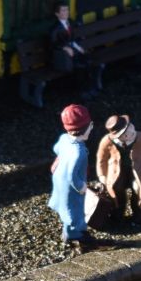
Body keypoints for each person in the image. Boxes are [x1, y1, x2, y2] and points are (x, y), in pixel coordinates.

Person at [96, 114, 141, 227]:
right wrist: (102, 175)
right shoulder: (107, 141)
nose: (131, 131)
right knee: (116, 189)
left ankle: (138, 214)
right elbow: (101, 159)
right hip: (117, 172)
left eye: (130, 127)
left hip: (139, 170)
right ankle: (118, 213)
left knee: (140, 189)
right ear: (118, 136)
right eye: (126, 133)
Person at [49, 104, 94, 253]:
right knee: (75, 210)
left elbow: (56, 149)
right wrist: (81, 186)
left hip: (59, 180)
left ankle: (68, 232)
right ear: (86, 128)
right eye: (90, 126)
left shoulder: (64, 139)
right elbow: (71, 175)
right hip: (71, 186)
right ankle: (77, 234)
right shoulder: (79, 151)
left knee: (65, 208)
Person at [48, 2, 96, 94]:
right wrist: (64, 48)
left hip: (72, 52)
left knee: (87, 60)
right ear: (57, 14)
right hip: (61, 57)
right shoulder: (54, 29)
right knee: (79, 65)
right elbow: (53, 44)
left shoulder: (70, 23)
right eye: (63, 10)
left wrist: (78, 47)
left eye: (67, 10)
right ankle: (82, 90)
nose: (66, 12)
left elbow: (72, 40)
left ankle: (90, 87)